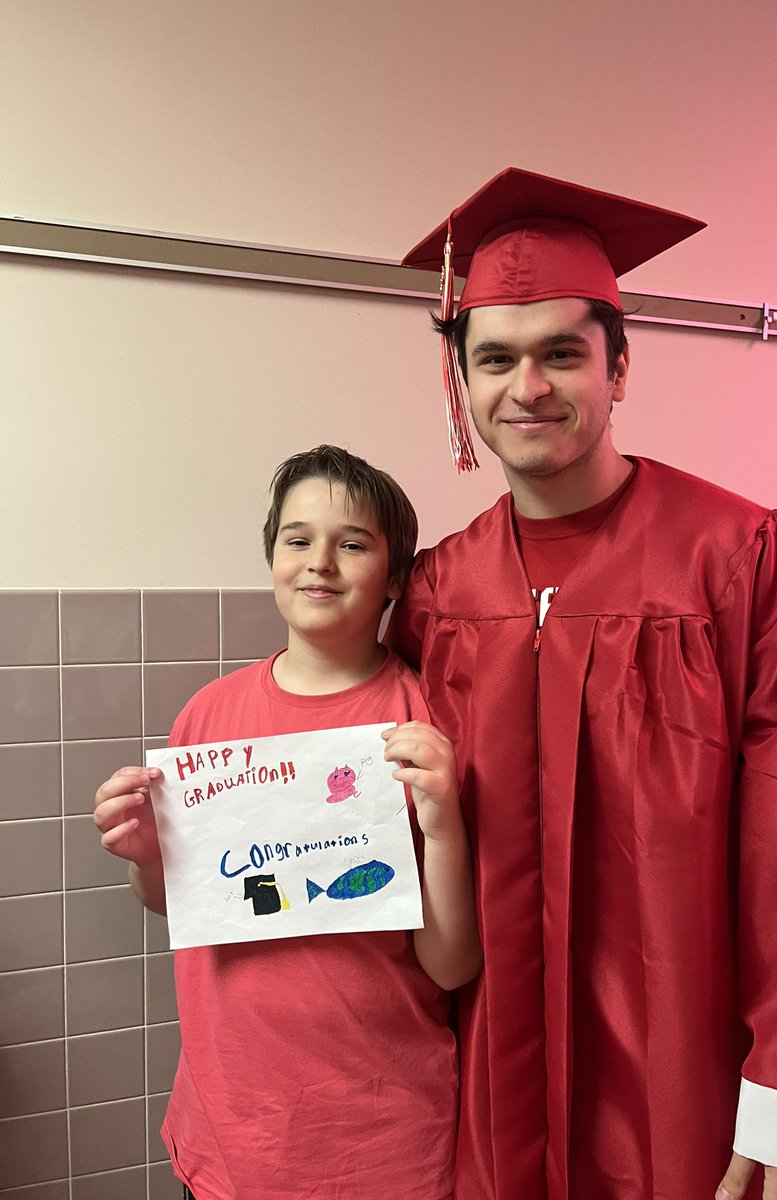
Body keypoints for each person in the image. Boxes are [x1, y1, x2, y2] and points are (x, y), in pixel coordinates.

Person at [387, 168, 777, 1200]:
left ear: (619, 369)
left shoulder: (736, 555)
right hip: (495, 1092)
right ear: (463, 383)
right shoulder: (440, 589)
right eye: (496, 359)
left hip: (692, 1092)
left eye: (562, 354)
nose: (527, 387)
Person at [93, 445, 482, 1200]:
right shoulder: (209, 719)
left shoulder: (425, 724)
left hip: (383, 1138)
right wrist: (146, 857)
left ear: (396, 576)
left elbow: (451, 967)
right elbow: (185, 901)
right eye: (298, 539)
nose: (321, 563)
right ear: (271, 555)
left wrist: (443, 824)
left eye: (353, 544)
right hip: (231, 1129)